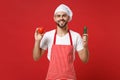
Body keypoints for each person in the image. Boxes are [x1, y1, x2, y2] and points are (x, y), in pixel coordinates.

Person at [33, 4, 89, 80]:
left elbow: (84, 60)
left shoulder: (76, 36)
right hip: (52, 77)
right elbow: (36, 57)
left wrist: (85, 46)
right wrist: (37, 41)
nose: (61, 18)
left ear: (68, 17)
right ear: (54, 18)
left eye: (64, 15)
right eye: (58, 16)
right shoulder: (48, 35)